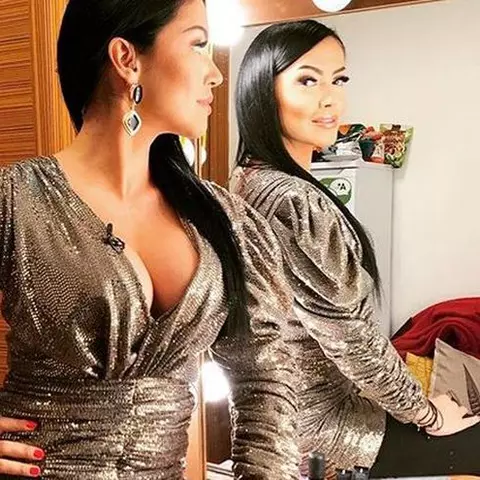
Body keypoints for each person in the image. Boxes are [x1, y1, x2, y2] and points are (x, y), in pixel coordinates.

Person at [0, 1, 299, 478]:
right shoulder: (15, 199)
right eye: (198, 44)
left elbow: (268, 383)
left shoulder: (224, 220)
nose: (215, 74)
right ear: (127, 58)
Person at [231, 20, 480, 478]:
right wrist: (427, 413)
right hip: (322, 424)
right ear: (263, 92)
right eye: (308, 81)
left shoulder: (246, 183)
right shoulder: (294, 201)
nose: (331, 99)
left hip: (275, 417)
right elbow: (352, 341)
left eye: (339, 79)